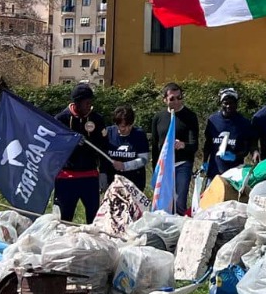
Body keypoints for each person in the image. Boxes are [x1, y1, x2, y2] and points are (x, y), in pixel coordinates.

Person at [52, 82, 108, 223]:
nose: (89, 105)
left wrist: (103, 172)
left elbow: (103, 147)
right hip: (66, 178)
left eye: (91, 102)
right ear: (76, 103)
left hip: (90, 177)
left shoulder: (96, 119)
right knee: (63, 220)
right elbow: (53, 147)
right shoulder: (61, 119)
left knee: (95, 219)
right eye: (86, 102)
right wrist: (70, 143)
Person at [150, 82, 201, 214]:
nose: (176, 102)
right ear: (165, 100)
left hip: (182, 164)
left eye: (179, 98)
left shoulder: (190, 116)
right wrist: (155, 168)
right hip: (164, 166)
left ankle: (179, 226)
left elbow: (194, 145)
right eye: (172, 99)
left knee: (179, 201)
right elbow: (155, 145)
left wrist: (182, 144)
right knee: (162, 202)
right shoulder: (158, 117)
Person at [203, 88, 256, 180]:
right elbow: (208, 143)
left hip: (235, 172)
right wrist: (204, 161)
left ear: (236, 104)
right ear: (221, 103)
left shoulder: (244, 123)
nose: (228, 106)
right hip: (214, 171)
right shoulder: (213, 120)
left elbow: (246, 148)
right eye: (225, 103)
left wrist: (235, 156)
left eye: (231, 103)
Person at [104, 103, 150, 192]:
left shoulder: (139, 134)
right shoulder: (108, 133)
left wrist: (125, 166)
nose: (127, 129)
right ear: (116, 124)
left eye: (130, 125)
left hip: (134, 183)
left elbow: (144, 159)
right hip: (113, 183)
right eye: (123, 126)